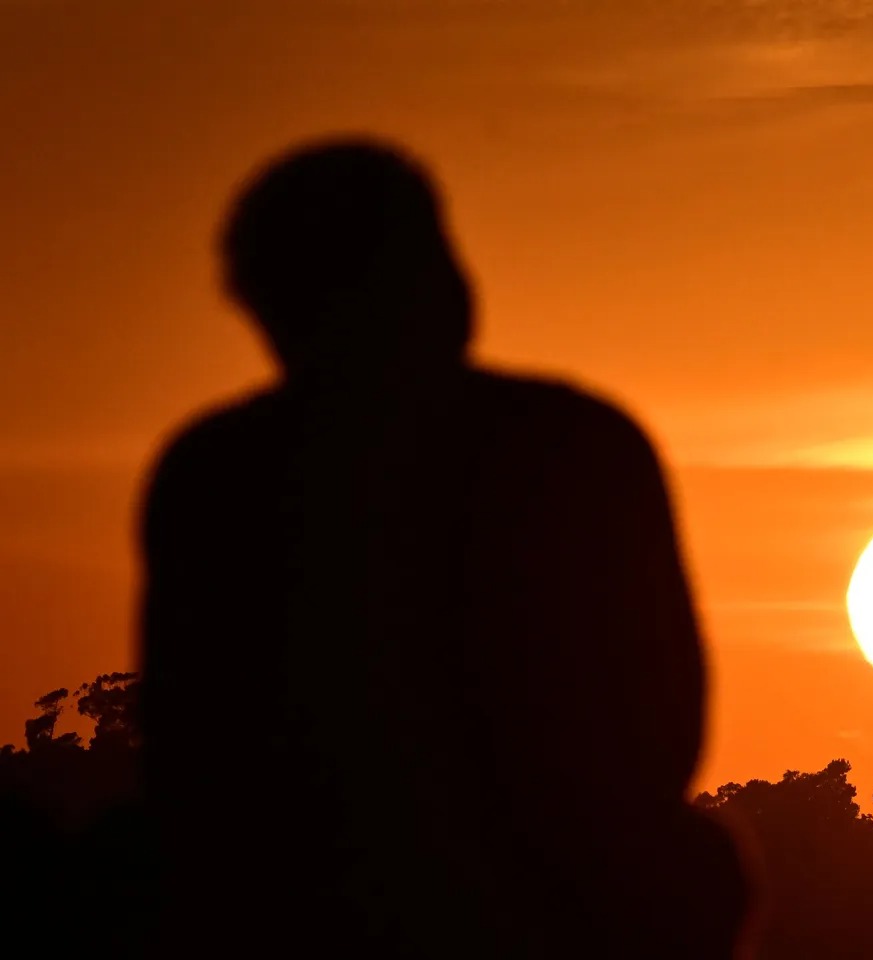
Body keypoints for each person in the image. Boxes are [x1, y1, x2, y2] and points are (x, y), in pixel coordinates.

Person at [137, 138, 750, 957]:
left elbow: (188, 753)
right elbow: (667, 721)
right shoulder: (580, 444)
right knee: (695, 862)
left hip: (322, 889)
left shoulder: (214, 470)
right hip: (510, 889)